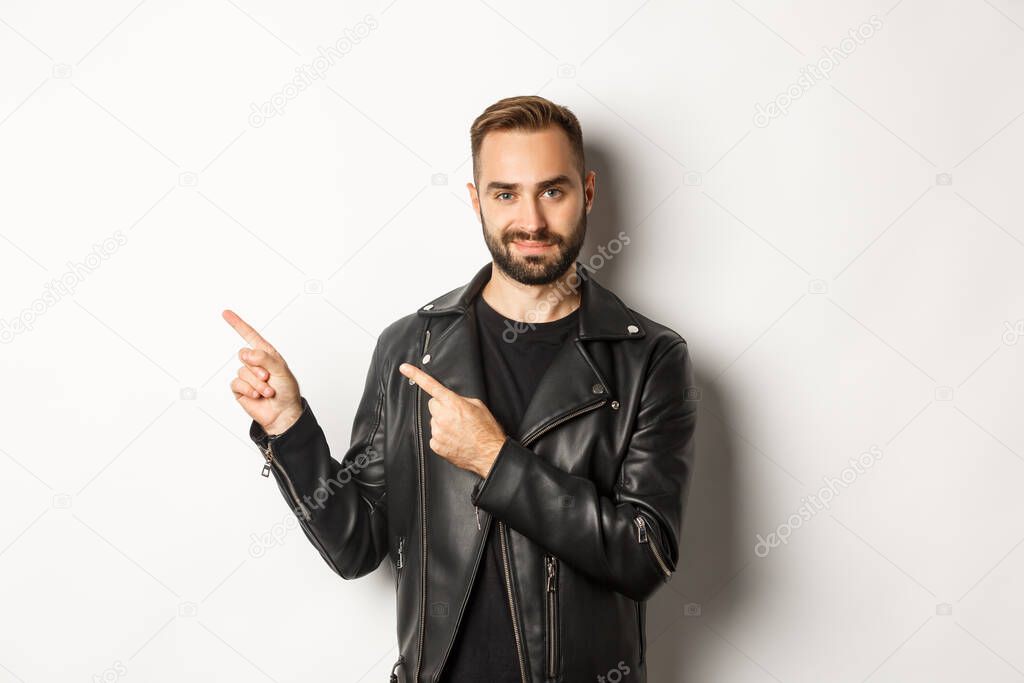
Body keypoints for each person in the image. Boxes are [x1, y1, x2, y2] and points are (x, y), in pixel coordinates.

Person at [223, 95, 698, 682]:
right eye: (505, 193)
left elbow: (644, 556)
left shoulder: (649, 358)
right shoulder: (409, 348)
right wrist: (288, 427)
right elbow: (356, 545)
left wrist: (495, 461)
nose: (532, 220)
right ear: (476, 200)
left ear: (589, 192)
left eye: (553, 190)